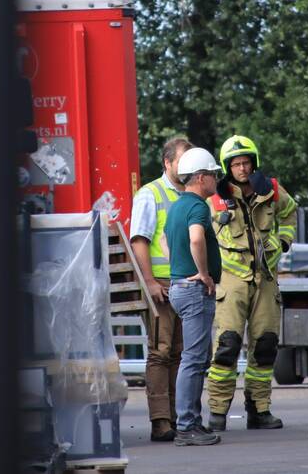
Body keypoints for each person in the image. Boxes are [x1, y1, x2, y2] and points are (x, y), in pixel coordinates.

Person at [206, 135, 297, 431]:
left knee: (265, 346)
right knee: (226, 347)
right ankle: (217, 413)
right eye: (236, 164)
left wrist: (284, 240)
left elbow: (290, 212)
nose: (242, 169)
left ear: (253, 163)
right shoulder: (215, 198)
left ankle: (259, 410)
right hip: (231, 283)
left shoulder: (270, 190)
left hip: (266, 280)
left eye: (246, 163)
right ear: (227, 167)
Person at [129, 137, 194, 442]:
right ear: (168, 163)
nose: (188, 167)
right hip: (162, 285)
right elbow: (139, 240)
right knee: (161, 352)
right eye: (182, 160)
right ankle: (160, 421)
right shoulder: (149, 194)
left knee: (181, 353)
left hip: (186, 283)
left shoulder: (192, 195)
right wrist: (150, 282)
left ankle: (177, 416)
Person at [165, 146, 224, 446]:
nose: (216, 179)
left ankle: (191, 422)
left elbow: (166, 242)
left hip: (178, 287)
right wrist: (203, 273)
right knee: (193, 359)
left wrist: (181, 268)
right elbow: (196, 238)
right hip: (193, 290)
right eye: (213, 174)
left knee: (194, 358)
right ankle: (187, 425)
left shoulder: (176, 205)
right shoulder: (199, 206)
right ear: (201, 178)